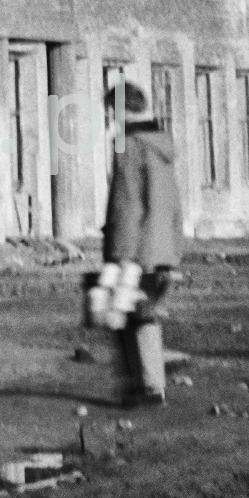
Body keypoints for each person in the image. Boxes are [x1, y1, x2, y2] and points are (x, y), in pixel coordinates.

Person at [102, 82, 182, 408]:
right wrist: (173, 249)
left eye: (110, 110)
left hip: (136, 247)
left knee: (126, 314)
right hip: (163, 246)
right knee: (141, 313)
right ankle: (147, 384)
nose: (108, 117)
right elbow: (173, 203)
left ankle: (147, 387)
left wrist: (119, 254)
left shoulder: (129, 145)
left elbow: (127, 204)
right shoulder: (161, 145)